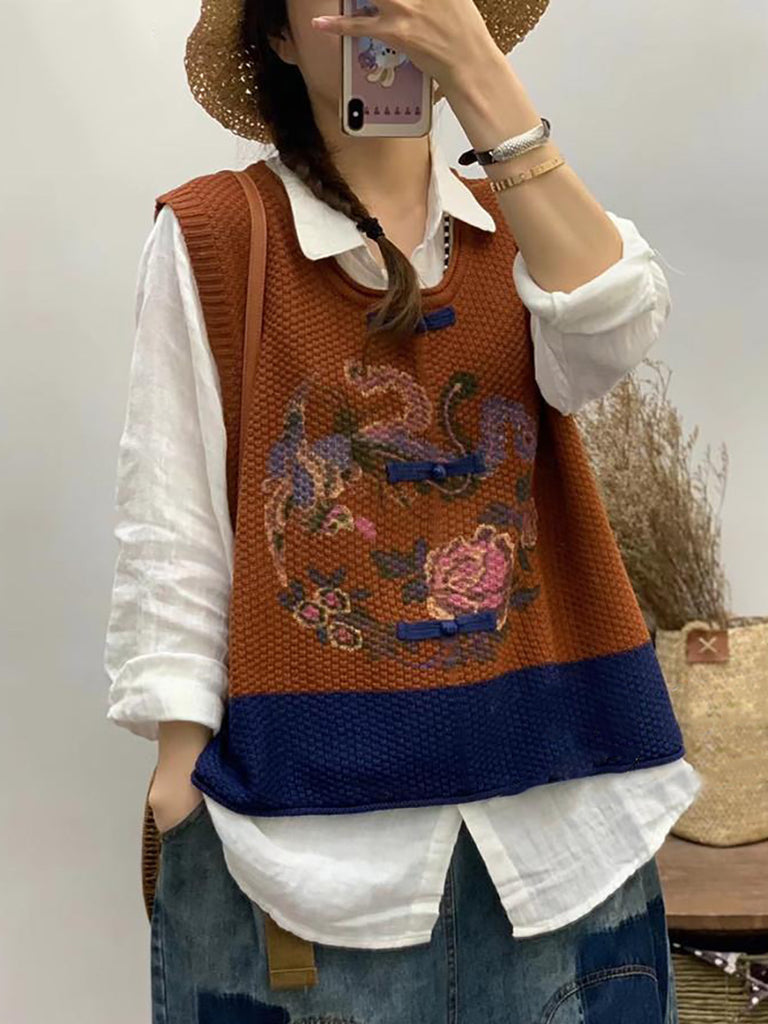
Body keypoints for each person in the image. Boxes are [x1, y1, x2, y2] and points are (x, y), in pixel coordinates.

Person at [103, 1, 702, 1020]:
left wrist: (485, 84)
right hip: (307, 852)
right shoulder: (217, 232)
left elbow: (611, 333)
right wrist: (178, 758)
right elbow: (171, 512)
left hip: (561, 831)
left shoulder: (526, 227)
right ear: (279, 35)